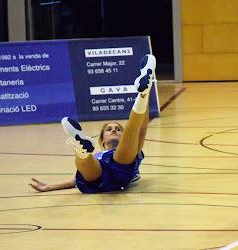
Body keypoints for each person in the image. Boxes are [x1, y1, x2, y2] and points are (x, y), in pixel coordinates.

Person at [29, 54, 156, 193]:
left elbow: (141, 127)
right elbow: (73, 180)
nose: (114, 130)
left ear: (124, 137)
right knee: (85, 165)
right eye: (109, 129)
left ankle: (143, 93)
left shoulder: (134, 150)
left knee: (134, 130)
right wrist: (49, 187)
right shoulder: (97, 157)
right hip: (96, 178)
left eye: (118, 129)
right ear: (102, 139)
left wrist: (147, 94)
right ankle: (80, 149)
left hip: (121, 169)